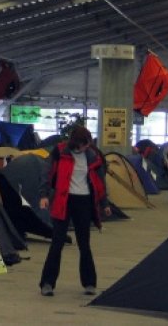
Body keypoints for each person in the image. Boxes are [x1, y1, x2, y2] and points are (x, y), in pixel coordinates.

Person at [38, 126, 111, 297]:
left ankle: (90, 283)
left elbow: (100, 182)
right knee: (57, 243)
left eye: (88, 144)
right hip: (64, 200)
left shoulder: (93, 156)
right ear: (76, 143)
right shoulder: (59, 152)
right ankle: (47, 283)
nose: (87, 147)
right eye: (84, 144)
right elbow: (47, 173)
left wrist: (104, 203)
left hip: (84, 202)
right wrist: (43, 195)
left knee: (84, 244)